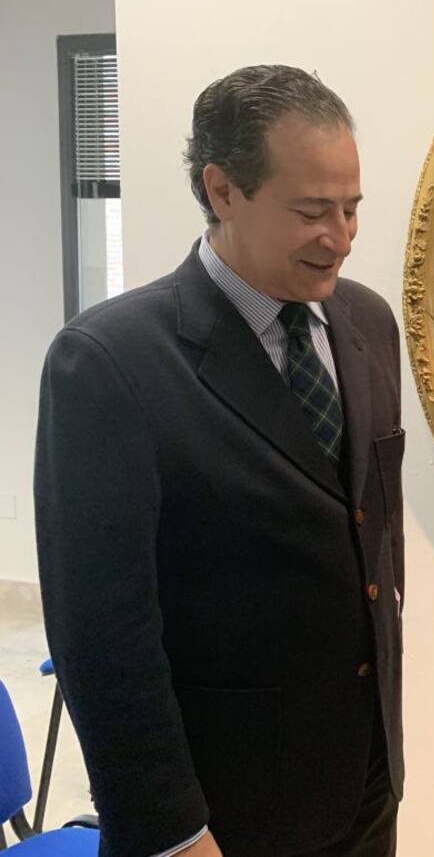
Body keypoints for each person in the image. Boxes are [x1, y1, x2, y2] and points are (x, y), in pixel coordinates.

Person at [35, 65, 405, 857]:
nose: (340, 236)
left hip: (365, 789)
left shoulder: (369, 323)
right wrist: (172, 831)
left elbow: (371, 535)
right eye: (311, 211)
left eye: (351, 208)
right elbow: (100, 636)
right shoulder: (109, 361)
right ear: (223, 190)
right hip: (221, 814)